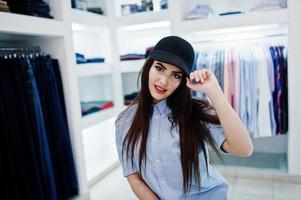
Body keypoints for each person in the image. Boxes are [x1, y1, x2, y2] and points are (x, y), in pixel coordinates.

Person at [115, 36, 253, 200]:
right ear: (149, 66)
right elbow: (134, 176)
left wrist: (215, 91)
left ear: (183, 80)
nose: (164, 81)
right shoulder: (125, 121)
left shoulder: (196, 111)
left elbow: (244, 149)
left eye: (176, 75)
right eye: (160, 68)